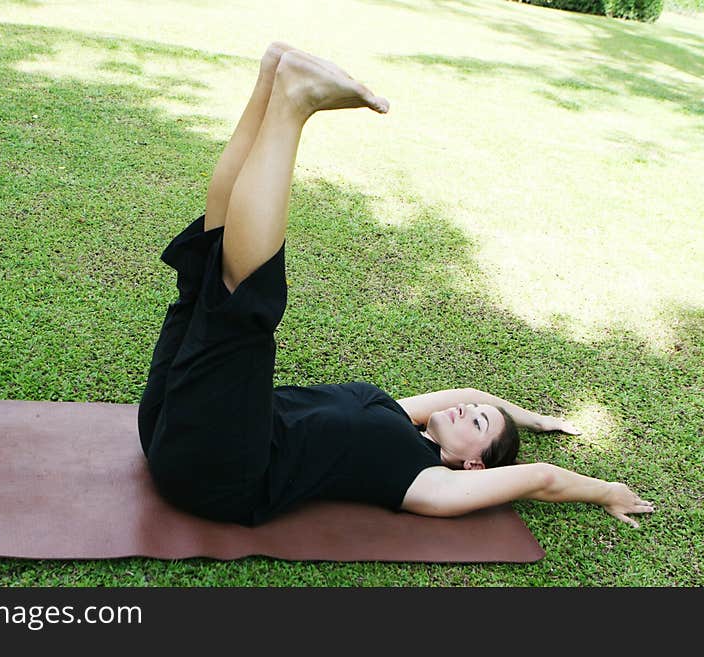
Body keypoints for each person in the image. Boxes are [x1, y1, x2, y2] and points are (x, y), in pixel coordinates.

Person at [137, 42, 655, 529]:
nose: (465, 410)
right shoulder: (401, 416)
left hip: (211, 475)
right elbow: (474, 393)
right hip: (169, 424)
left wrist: (606, 489)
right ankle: (273, 83)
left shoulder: (426, 481)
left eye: (476, 426)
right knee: (207, 266)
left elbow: (540, 478)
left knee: (239, 308)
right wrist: (539, 420)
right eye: (475, 412)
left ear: (472, 467)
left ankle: (294, 101)